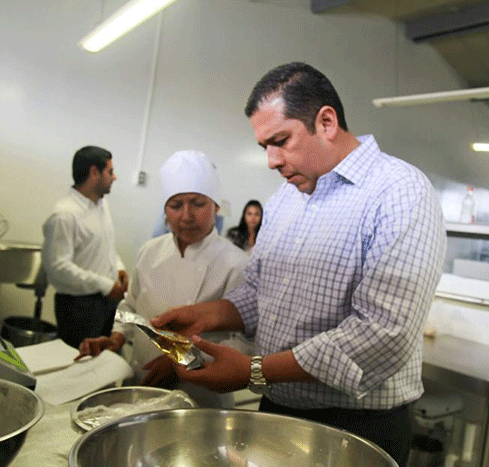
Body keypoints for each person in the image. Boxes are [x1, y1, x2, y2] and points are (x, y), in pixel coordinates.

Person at [151, 62, 447, 466]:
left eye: (281, 141)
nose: (272, 160)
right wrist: (207, 315)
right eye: (264, 147)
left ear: (326, 122)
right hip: (278, 409)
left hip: (355, 425)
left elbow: (382, 334)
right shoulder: (286, 199)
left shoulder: (399, 191)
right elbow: (261, 292)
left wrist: (254, 371)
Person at [77, 150, 252, 408]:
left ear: (216, 205)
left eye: (198, 203)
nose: (186, 216)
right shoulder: (150, 251)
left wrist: (182, 360)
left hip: (201, 398)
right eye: (176, 205)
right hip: (142, 383)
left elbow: (245, 342)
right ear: (165, 210)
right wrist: (116, 338)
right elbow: (131, 306)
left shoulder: (237, 264)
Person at [42, 146, 128, 348]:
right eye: (110, 171)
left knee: (104, 359)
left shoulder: (101, 205)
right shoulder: (65, 215)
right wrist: (106, 286)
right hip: (79, 309)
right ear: (94, 172)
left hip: (106, 303)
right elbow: (58, 267)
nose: (114, 177)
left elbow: (105, 247)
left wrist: (119, 268)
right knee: (79, 361)